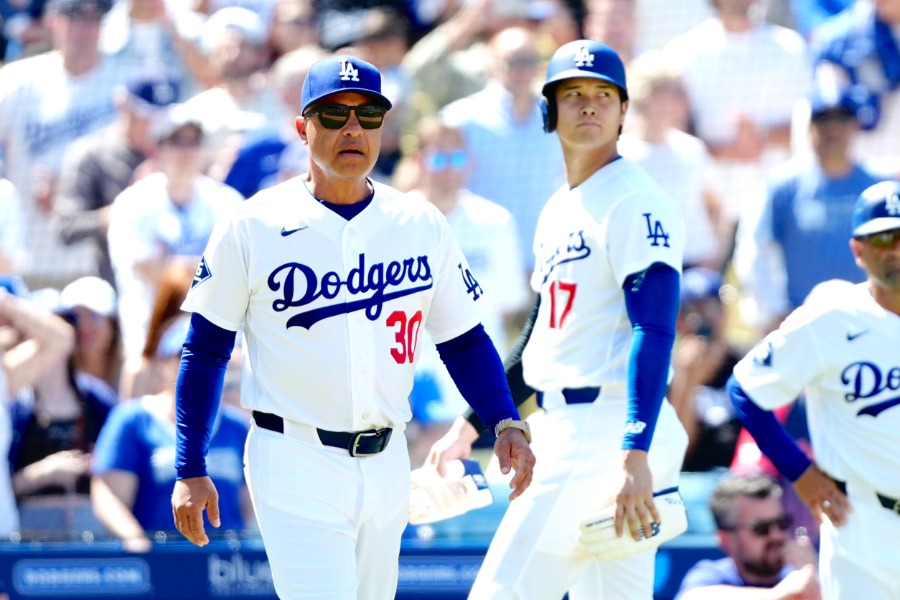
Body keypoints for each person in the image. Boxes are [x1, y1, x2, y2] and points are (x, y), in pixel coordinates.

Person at [170, 54, 535, 599]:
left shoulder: (419, 223)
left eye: (368, 115)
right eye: (334, 114)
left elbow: (463, 340)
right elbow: (205, 351)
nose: (352, 129)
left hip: (389, 460)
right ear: (303, 128)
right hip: (295, 457)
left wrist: (504, 419)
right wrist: (189, 465)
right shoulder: (252, 225)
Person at [427, 39, 688, 598]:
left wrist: (634, 450)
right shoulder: (559, 207)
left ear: (624, 111)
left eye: (603, 94)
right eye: (572, 94)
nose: (588, 104)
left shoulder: (636, 200)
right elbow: (538, 338)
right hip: (583, 424)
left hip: (606, 429)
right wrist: (471, 424)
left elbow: (655, 329)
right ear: (549, 109)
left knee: (499, 593)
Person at [726, 179, 900, 599]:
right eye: (883, 238)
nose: (895, 249)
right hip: (863, 526)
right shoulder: (831, 317)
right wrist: (799, 472)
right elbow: (744, 389)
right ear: (858, 250)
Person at [106, 102, 243, 398]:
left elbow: (239, 270)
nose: (186, 150)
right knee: (140, 393)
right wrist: (205, 267)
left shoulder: (227, 202)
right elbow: (149, 269)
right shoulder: (133, 202)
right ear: (159, 148)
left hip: (214, 331)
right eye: (177, 141)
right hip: (150, 339)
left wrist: (175, 266)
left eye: (194, 141)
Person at [734, 81, 887, 333]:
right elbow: (753, 249)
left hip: (873, 322)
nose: (833, 128)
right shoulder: (782, 186)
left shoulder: (880, 186)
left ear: (855, 125)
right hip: (804, 326)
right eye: (823, 119)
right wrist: (773, 311)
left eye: (842, 118)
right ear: (808, 127)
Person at [92, 313, 252, 552]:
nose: (199, 366)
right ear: (162, 362)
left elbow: (249, 501)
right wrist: (136, 542)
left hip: (226, 564)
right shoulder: (133, 420)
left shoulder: (236, 425)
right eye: (186, 355)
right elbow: (108, 494)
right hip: (160, 559)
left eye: (211, 357)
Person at [53, 70, 181, 290]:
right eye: (147, 115)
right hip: (114, 288)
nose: (155, 124)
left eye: (162, 117)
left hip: (176, 292)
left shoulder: (184, 153)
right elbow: (66, 227)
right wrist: (129, 207)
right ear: (124, 105)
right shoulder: (92, 154)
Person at [674, 472, 820, 599]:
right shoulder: (713, 575)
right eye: (761, 528)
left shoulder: (797, 574)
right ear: (727, 540)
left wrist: (815, 579)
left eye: (782, 523)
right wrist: (778, 595)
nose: (776, 535)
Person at [668, 267, 743, 472]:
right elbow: (678, 452)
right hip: (691, 478)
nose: (704, 318)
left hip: (740, 477)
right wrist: (688, 379)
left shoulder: (746, 364)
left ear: (724, 312)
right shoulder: (666, 374)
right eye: (693, 310)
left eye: (711, 307)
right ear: (679, 322)